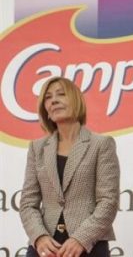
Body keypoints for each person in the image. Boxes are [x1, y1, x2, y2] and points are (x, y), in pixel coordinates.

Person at [20, 77, 120, 257]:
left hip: (89, 245)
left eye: (61, 94)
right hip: (45, 248)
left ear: (76, 100)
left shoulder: (101, 144)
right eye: (48, 98)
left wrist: (81, 239)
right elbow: (28, 203)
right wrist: (40, 237)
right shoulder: (37, 148)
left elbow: (108, 201)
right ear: (46, 110)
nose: (54, 100)